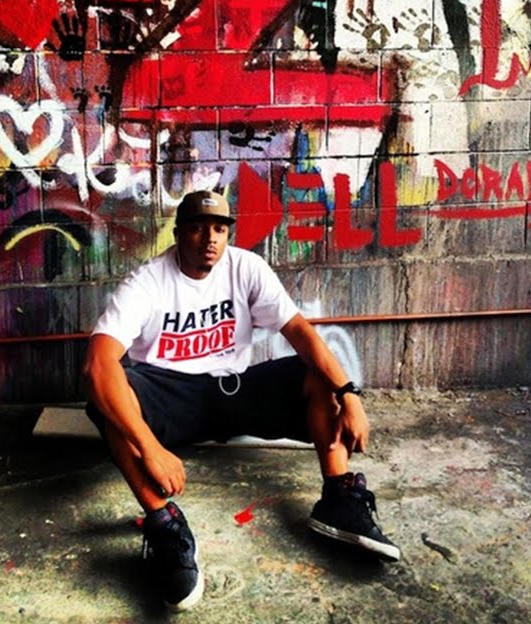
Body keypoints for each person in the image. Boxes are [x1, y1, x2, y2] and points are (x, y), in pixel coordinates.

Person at [82, 189, 400, 612]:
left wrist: (349, 393)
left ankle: (337, 498)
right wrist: (150, 448)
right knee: (107, 400)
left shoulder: (246, 267)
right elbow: (98, 365)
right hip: (172, 395)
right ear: (178, 234)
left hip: (235, 390)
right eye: (197, 228)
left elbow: (300, 332)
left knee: (315, 372)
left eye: (219, 229)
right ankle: (164, 525)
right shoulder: (148, 281)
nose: (209, 239)